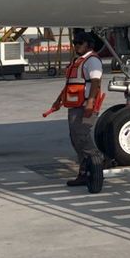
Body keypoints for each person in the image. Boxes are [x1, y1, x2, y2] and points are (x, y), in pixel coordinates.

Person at [46, 31, 105, 187]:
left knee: (82, 137)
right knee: (76, 139)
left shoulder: (92, 61)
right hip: (75, 106)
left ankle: (98, 162)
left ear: (88, 44)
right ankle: (84, 173)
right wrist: (59, 101)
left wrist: (90, 102)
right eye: (74, 42)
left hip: (86, 105)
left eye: (79, 43)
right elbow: (70, 84)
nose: (76, 45)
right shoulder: (78, 61)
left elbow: (95, 82)